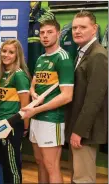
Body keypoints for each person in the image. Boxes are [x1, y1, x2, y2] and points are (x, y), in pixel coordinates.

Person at [21, 19, 74, 183]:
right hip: (36, 118)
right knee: (40, 162)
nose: (45, 36)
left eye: (49, 32)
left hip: (52, 120)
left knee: (51, 165)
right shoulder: (41, 58)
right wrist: (33, 92)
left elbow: (67, 96)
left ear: (58, 33)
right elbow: (33, 84)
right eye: (42, 33)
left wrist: (37, 110)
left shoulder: (63, 58)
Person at [65, 11, 108, 183]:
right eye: (75, 27)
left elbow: (94, 99)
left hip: (85, 132)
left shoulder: (98, 55)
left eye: (83, 27)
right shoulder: (82, 52)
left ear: (94, 29)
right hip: (77, 127)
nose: (77, 31)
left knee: (83, 178)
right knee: (77, 175)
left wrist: (79, 131)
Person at [0, 39, 31, 183]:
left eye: (11, 52)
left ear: (17, 55)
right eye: (4, 51)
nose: (6, 55)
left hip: (11, 126)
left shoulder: (19, 75)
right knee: (5, 165)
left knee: (13, 167)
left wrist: (25, 128)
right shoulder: (1, 75)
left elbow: (26, 107)